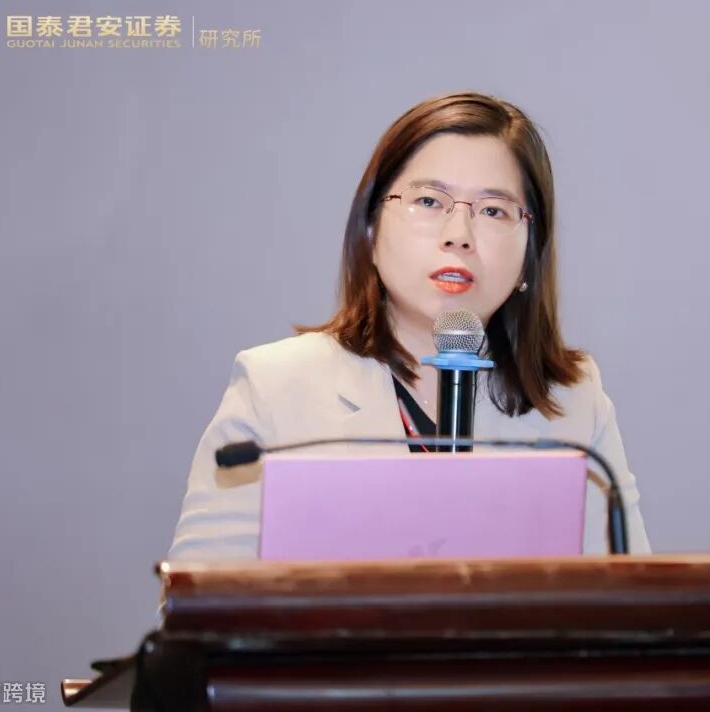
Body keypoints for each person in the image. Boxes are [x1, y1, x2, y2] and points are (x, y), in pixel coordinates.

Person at [167, 91, 651, 560]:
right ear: (371, 230)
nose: (459, 236)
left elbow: (629, 602)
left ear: (530, 252)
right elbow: (199, 602)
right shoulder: (276, 388)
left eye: (493, 210)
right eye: (429, 202)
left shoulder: (574, 403)